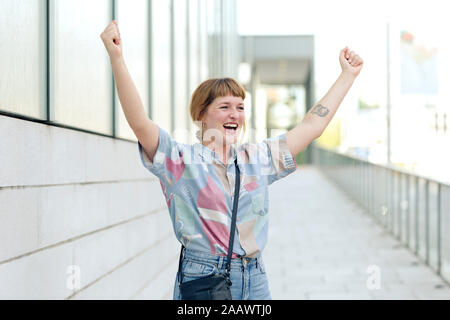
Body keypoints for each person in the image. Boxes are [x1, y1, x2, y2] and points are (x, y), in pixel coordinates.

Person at [100, 20, 363, 300]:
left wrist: (347, 76)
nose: (235, 114)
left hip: (255, 276)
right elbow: (139, 122)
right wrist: (117, 58)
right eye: (224, 107)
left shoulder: (257, 158)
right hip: (204, 277)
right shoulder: (180, 160)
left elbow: (311, 127)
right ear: (202, 114)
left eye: (240, 107)